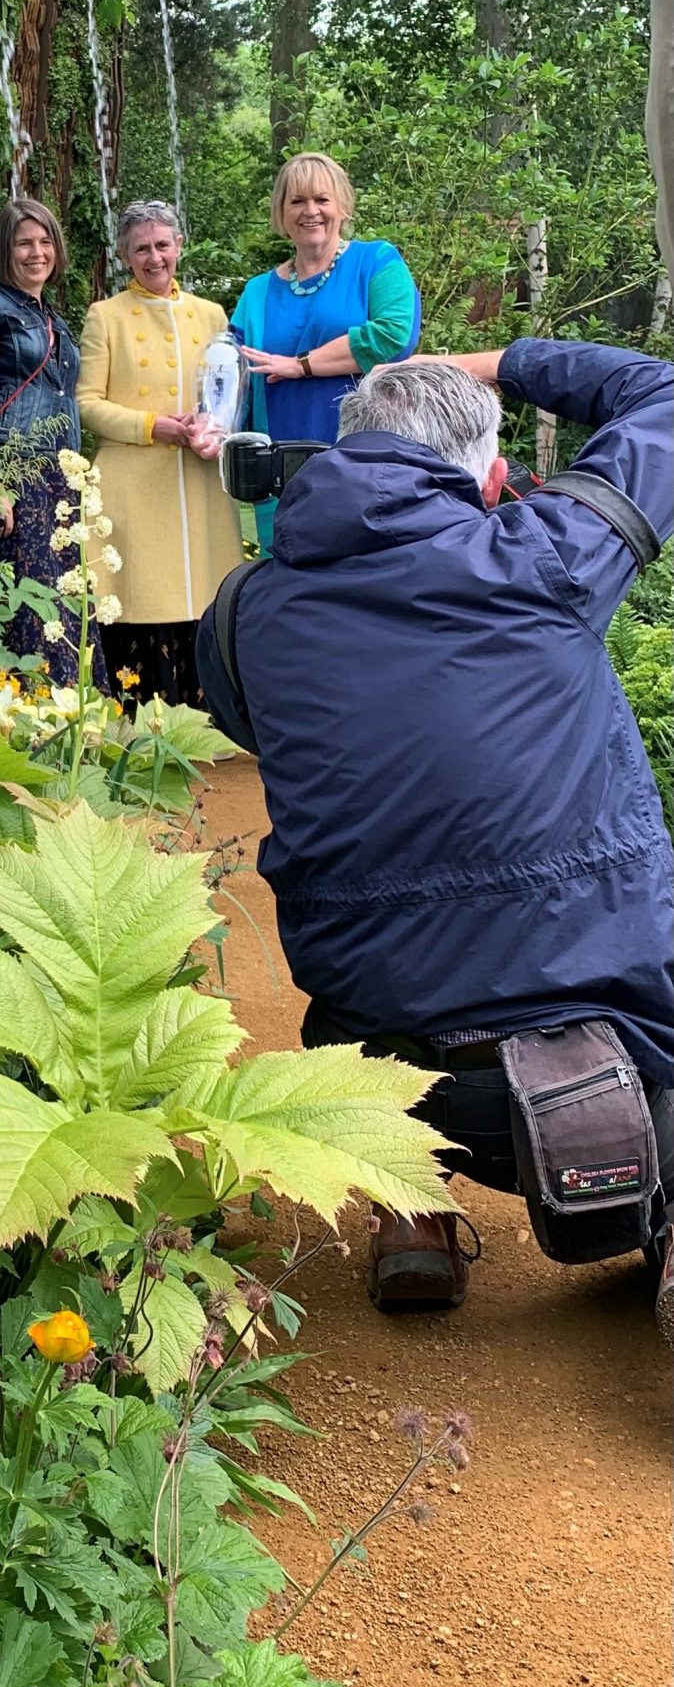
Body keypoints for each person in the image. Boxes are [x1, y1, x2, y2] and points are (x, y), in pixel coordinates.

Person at [196, 340, 674, 1319]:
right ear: (491, 479)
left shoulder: (245, 610)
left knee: (369, 960)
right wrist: (499, 358)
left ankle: (406, 1215)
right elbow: (660, 389)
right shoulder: (551, 552)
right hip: (622, 1071)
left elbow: (247, 725)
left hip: (389, 1088)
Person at [76, 198, 243, 707]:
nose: (154, 258)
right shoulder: (106, 317)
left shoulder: (210, 313)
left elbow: (225, 387)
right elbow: (86, 404)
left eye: (162, 245)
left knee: (203, 598)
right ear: (125, 256)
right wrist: (153, 426)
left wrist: (215, 428)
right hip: (134, 483)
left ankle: (209, 721)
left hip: (198, 481)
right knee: (139, 602)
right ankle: (139, 723)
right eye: (141, 248)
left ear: (179, 246)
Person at [230, 152, 419, 550]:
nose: (310, 211)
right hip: (283, 474)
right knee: (292, 593)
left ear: (343, 206)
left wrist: (304, 365)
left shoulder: (377, 261)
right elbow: (234, 379)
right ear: (280, 213)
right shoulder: (257, 292)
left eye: (321, 199)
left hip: (368, 464)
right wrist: (208, 423)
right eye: (296, 201)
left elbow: (395, 336)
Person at [0, 196, 99, 682]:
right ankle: (30, 724)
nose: (38, 252)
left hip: (59, 481)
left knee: (66, 606)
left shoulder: (54, 320)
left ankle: (78, 724)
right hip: (14, 480)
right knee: (28, 610)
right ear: (3, 251)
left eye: (45, 240)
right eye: (24, 243)